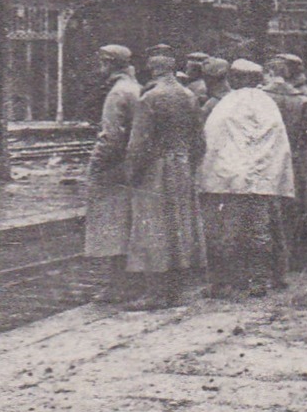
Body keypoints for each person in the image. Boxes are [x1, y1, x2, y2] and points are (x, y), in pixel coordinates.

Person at [198, 59, 295, 297]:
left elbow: (212, 139)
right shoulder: (267, 105)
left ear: (236, 78)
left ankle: (228, 282)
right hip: (261, 181)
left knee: (228, 231)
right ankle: (258, 280)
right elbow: (278, 144)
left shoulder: (227, 105)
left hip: (229, 181)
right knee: (259, 231)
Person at [124, 53, 206, 304]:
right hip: (182, 165)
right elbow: (200, 141)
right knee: (179, 226)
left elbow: (138, 143)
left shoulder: (150, 98)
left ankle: (155, 292)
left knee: (152, 227)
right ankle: (177, 288)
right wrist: (189, 165)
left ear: (152, 71)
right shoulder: (189, 96)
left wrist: (132, 174)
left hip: (155, 168)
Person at [84, 45, 142, 301]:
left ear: (108, 64)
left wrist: (95, 165)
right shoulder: (135, 88)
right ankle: (128, 281)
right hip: (131, 166)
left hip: (115, 168)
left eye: (101, 62)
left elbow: (111, 137)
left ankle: (117, 285)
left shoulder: (117, 93)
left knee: (112, 227)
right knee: (127, 224)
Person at [264, 55, 307, 271]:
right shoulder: (301, 99)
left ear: (270, 73)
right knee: (292, 209)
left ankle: (268, 260)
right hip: (296, 161)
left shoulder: (261, 97)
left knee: (266, 208)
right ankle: (287, 258)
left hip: (266, 159)